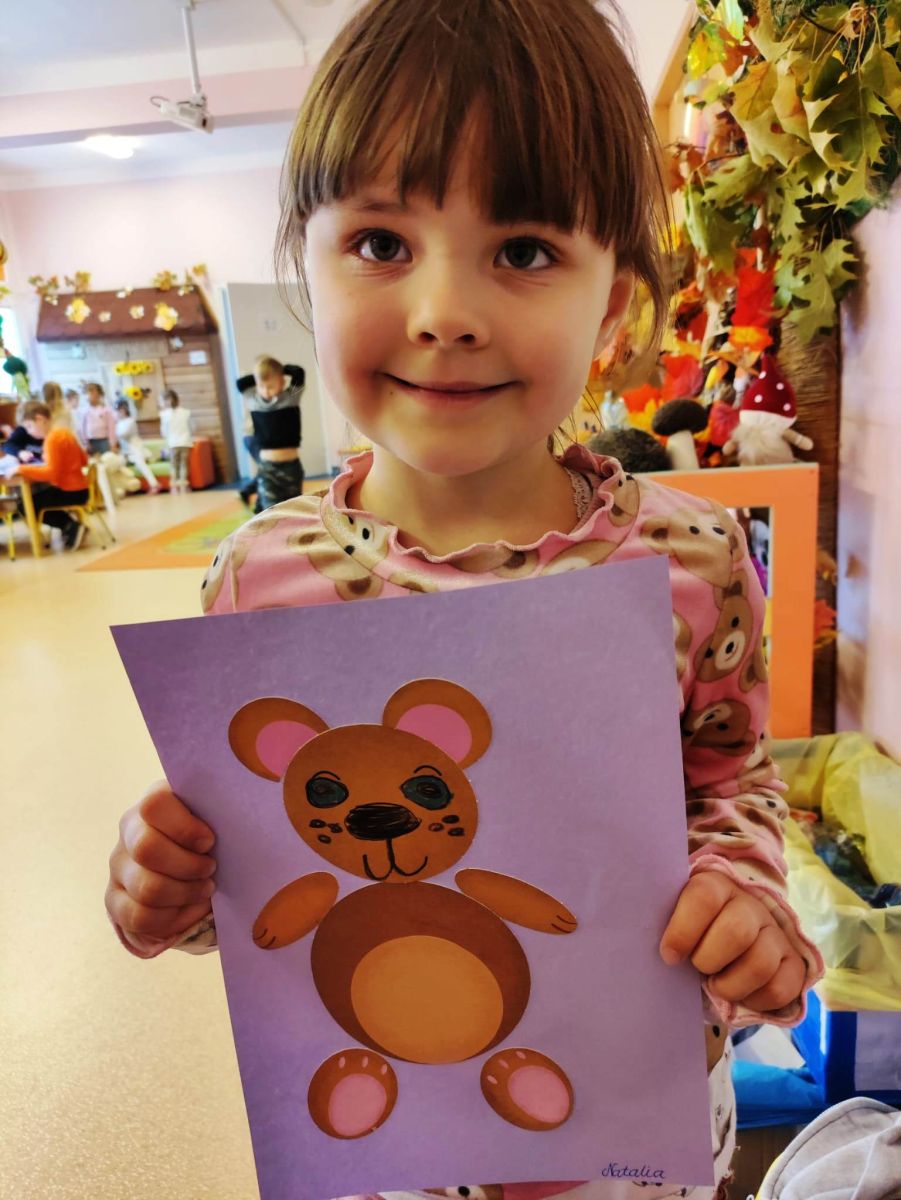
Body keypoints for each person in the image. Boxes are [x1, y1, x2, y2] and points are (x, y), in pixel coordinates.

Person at [104, 3, 825, 1197]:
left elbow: (727, 781)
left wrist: (745, 898)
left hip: (626, 1135)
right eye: (381, 242)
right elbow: (256, 879)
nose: (443, 311)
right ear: (307, 267)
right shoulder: (258, 580)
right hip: (381, 1141)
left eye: (524, 250)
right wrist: (168, 888)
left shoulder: (689, 561)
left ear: (615, 303)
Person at [16, 399, 89, 549]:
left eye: (29, 426)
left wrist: (21, 469)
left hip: (69, 491)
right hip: (82, 489)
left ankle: (70, 526)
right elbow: (84, 460)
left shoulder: (52, 439)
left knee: (25, 505)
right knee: (39, 498)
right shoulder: (64, 432)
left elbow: (51, 473)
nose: (29, 432)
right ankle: (71, 526)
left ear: (40, 419)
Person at [235, 355, 305, 511]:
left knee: (293, 510)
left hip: (291, 468)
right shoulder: (254, 401)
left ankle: (258, 507)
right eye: (261, 386)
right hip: (268, 469)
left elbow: (299, 373)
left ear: (282, 381)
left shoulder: (291, 397)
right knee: (271, 512)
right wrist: (260, 374)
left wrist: (278, 370)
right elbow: (240, 383)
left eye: (271, 386)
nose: (266, 391)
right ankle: (260, 508)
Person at [114, 399, 160, 493]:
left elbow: (125, 434)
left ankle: (155, 484)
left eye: (121, 409)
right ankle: (123, 487)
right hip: (125, 451)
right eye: (118, 409)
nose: (119, 411)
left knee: (140, 464)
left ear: (126, 409)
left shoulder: (131, 421)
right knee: (118, 464)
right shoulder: (118, 423)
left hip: (135, 448)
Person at [159, 388, 193, 492]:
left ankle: (174, 485)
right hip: (185, 442)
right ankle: (183, 485)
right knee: (183, 464)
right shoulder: (186, 412)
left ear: (167, 401)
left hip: (172, 443)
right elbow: (193, 427)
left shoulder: (164, 414)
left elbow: (163, 432)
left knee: (174, 465)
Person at [78, 382, 118, 455]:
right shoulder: (84, 411)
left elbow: (111, 428)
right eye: (88, 393)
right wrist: (86, 442)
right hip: (91, 441)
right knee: (93, 460)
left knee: (106, 458)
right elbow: (82, 428)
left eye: (92, 393)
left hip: (104, 440)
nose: (89, 396)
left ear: (99, 395)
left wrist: (112, 443)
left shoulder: (106, 410)